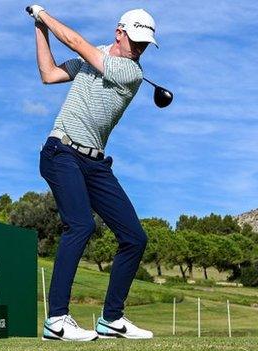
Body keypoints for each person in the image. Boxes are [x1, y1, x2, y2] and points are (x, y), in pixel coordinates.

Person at [27, 5, 157, 341]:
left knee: (134, 237)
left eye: (145, 43)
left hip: (96, 164)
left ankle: (112, 319)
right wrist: (39, 29)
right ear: (119, 32)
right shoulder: (97, 56)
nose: (140, 48)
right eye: (136, 40)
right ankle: (56, 320)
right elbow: (49, 74)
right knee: (81, 225)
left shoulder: (132, 73)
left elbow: (73, 41)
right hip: (62, 151)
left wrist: (44, 16)